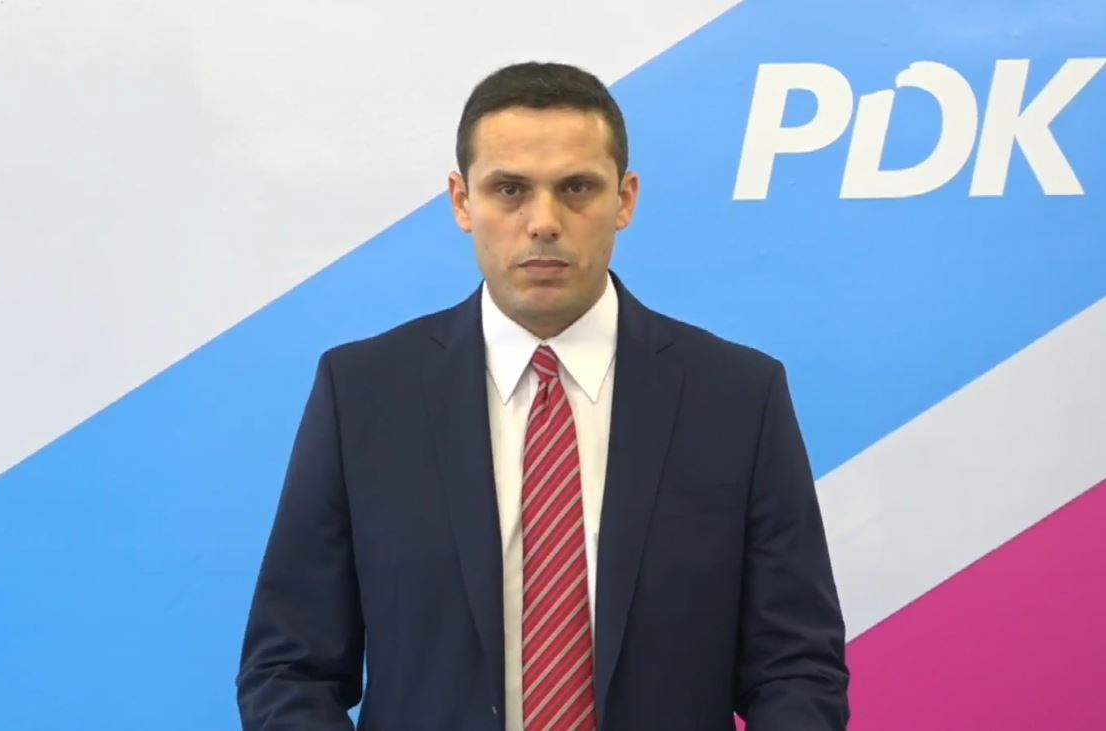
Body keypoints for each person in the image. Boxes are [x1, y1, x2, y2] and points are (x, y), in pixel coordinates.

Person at [237, 61, 849, 731]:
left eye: (577, 188)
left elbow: (796, 668)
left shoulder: (737, 397)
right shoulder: (362, 395)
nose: (544, 222)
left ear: (626, 199)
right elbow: (289, 669)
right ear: (462, 201)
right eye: (510, 190)